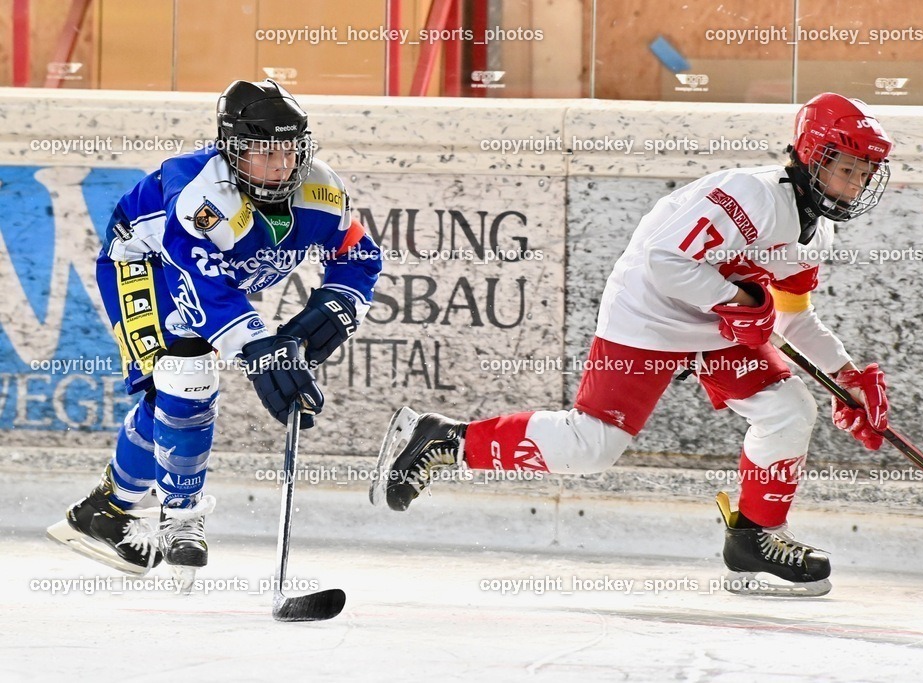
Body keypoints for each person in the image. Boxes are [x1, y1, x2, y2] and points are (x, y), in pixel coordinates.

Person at [371, 93, 893, 596]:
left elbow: (795, 317)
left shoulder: (817, 235)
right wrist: (734, 298)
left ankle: (754, 536)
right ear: (810, 156)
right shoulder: (752, 196)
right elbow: (663, 261)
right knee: (591, 446)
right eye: (847, 168)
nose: (856, 184)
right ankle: (443, 439)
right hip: (652, 313)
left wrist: (845, 376)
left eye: (865, 174)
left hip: (717, 327)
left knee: (788, 408)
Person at [47, 79, 382, 584]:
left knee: (171, 395)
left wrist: (338, 306)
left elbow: (358, 256)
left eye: (290, 150)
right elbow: (201, 288)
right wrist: (259, 349)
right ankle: (181, 518)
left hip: (211, 277)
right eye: (262, 151)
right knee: (185, 374)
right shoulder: (201, 197)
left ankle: (106, 512)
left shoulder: (323, 190)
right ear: (231, 148)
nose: (280, 166)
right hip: (143, 263)